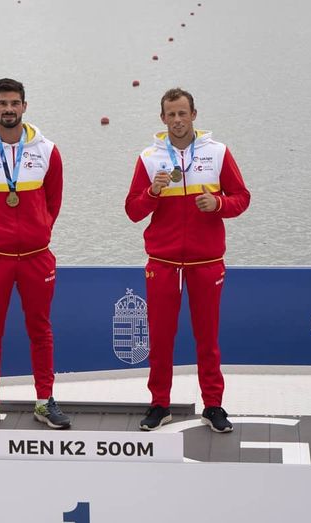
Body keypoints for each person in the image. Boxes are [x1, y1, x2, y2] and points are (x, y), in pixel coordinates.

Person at [125, 88, 251, 433]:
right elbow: (133, 210)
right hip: (163, 262)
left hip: (206, 261)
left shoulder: (217, 153)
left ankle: (213, 405)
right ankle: (159, 404)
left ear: (194, 114)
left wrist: (219, 204)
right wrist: (152, 192)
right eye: (171, 114)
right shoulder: (149, 158)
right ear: (162, 118)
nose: (177, 120)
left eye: (183, 113)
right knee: (161, 338)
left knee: (207, 339)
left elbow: (242, 197)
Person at [0, 78, 70, 431]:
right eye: (2, 103)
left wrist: (39, 229)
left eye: (14, 103)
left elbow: (53, 202)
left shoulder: (47, 151)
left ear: (24, 106)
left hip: (37, 255)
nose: (9, 109)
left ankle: (44, 401)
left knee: (41, 330)